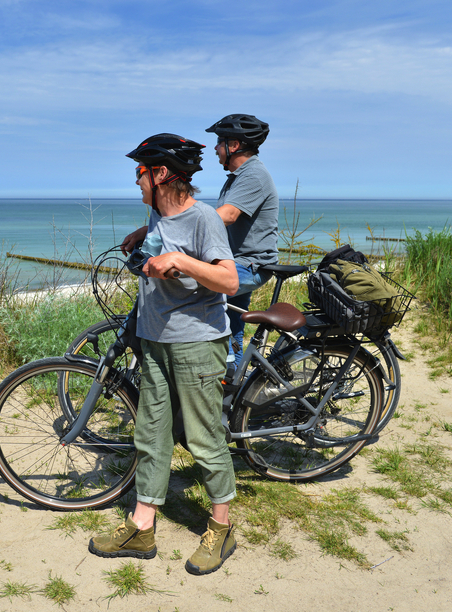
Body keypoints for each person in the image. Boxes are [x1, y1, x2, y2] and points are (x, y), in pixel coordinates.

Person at [90, 134, 239, 576]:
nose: (134, 181)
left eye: (139, 173)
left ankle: (222, 527)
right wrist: (143, 237)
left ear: (160, 174)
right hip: (154, 343)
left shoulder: (204, 219)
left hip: (196, 344)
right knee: (151, 436)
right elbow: (160, 237)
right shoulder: (158, 213)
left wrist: (180, 261)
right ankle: (142, 526)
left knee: (204, 438)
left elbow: (228, 281)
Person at [204, 114, 279, 371]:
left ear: (233, 145)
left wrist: (178, 228)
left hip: (250, 266)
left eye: (218, 142)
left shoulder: (253, 174)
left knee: (194, 290)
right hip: (238, 263)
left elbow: (226, 216)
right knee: (232, 324)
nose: (215, 148)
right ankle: (232, 389)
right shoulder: (237, 176)